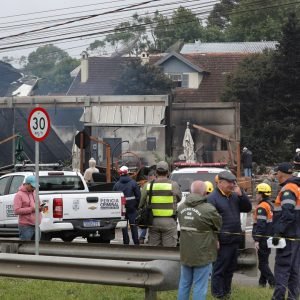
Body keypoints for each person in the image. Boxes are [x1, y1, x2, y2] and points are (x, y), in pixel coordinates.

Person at [207, 170, 252, 299]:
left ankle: (227, 292)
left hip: (235, 239)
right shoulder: (212, 198)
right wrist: (215, 238)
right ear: (220, 183)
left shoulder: (234, 196)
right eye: (229, 183)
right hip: (222, 241)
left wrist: (241, 194)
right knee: (220, 269)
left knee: (230, 269)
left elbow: (247, 208)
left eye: (234, 182)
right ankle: (218, 294)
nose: (232, 185)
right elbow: (209, 222)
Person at [177, 180, 222, 300]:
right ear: (204, 192)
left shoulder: (181, 207)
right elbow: (218, 225)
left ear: (191, 191)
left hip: (186, 252)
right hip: (203, 253)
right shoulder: (208, 209)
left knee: (184, 284)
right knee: (200, 286)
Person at [271, 162, 300, 300]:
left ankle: (278, 298)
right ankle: (293, 297)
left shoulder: (288, 189)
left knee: (282, 268)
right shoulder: (297, 186)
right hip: (296, 234)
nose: (276, 175)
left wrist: (279, 232)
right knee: (294, 269)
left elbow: (288, 214)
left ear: (281, 173)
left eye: (277, 173)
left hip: (288, 235)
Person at [139, 161, 181, 247]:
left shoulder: (148, 185)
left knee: (154, 250)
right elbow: (178, 199)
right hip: (169, 222)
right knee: (168, 251)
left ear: (156, 172)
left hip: (153, 222)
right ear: (168, 172)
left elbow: (141, 204)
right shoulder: (173, 185)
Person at [252, 183, 275, 288]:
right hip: (269, 237)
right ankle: (262, 284)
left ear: (261, 194)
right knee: (264, 261)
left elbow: (260, 225)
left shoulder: (261, 207)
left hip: (263, 239)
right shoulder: (270, 205)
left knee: (262, 264)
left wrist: (257, 239)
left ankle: (273, 282)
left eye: (257, 193)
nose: (256, 195)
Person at [113, 165, 140, 245]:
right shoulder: (133, 183)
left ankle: (126, 243)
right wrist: (136, 206)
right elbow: (138, 196)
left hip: (122, 209)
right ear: (127, 173)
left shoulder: (116, 185)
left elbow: (114, 198)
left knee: (124, 226)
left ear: (120, 174)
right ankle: (136, 242)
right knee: (133, 225)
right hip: (132, 208)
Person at [13, 175, 42, 241]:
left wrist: (40, 208)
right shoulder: (19, 195)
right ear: (27, 184)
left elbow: (38, 205)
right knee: (25, 248)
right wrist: (32, 209)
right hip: (25, 226)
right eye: (32, 186)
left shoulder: (35, 194)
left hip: (36, 225)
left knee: (37, 248)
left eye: (35, 187)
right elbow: (17, 210)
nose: (34, 188)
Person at [139, 169, 156, 244]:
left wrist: (140, 206)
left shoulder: (147, 185)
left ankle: (142, 238)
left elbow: (143, 197)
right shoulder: (160, 184)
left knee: (145, 222)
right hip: (157, 208)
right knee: (152, 225)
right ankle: (149, 238)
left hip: (148, 208)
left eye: (149, 176)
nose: (149, 178)